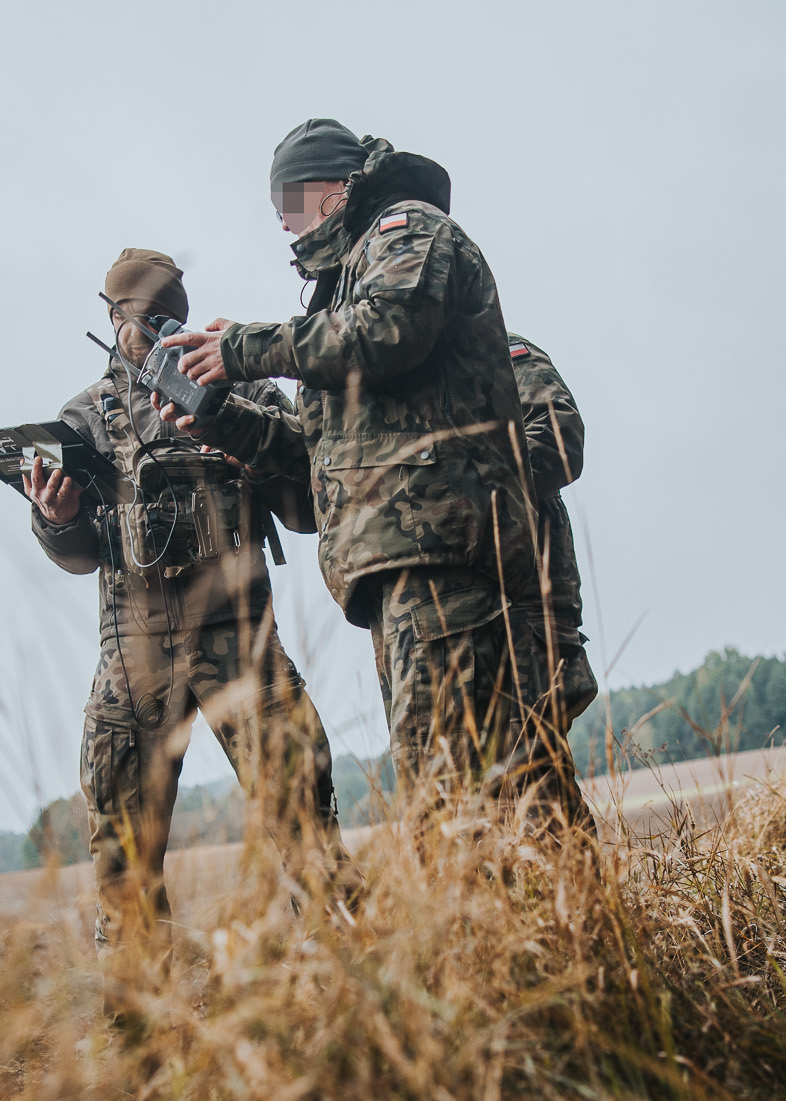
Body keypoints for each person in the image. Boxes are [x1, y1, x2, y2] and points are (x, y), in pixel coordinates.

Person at [156, 120, 585, 830]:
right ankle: (577, 903)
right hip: (406, 568)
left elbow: (387, 328)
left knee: (455, 800)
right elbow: (317, 475)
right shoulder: (336, 306)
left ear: (330, 186)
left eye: (288, 206)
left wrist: (245, 348)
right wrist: (221, 420)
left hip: (444, 559)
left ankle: (515, 902)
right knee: (506, 791)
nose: (285, 227)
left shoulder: (408, 228)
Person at [26, 248, 338, 955]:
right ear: (111, 318)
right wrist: (56, 518)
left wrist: (244, 440)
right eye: (140, 318)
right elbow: (74, 553)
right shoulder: (83, 418)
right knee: (123, 866)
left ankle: (349, 984)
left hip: (242, 645)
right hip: (134, 659)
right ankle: (140, 1010)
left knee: (307, 828)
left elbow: (306, 504)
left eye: (170, 317)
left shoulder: (239, 389)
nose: (154, 330)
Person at [507, 332, 597, 727]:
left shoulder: (495, 349)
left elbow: (560, 440)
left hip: (522, 601)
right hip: (411, 606)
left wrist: (457, 483)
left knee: (531, 752)